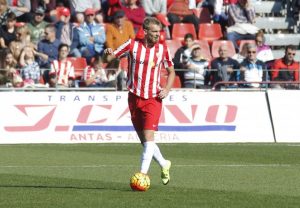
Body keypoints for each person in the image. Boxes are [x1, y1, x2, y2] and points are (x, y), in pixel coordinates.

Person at [104, 17, 175, 185]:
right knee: (145, 141)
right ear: (145, 31)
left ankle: (142, 175)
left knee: (149, 137)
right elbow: (112, 56)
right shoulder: (132, 45)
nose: (158, 35)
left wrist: (167, 89)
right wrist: (108, 54)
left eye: (159, 31)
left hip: (153, 98)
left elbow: (171, 71)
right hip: (134, 97)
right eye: (154, 31)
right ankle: (164, 163)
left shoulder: (163, 49)